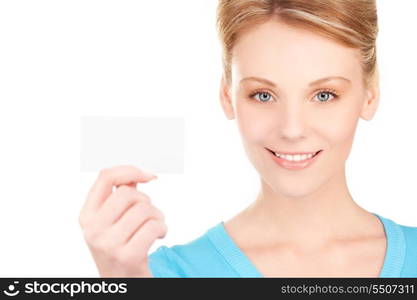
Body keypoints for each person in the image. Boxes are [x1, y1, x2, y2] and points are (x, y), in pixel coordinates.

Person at [78, 0, 417, 277]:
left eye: (324, 95)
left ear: (370, 95)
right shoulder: (162, 274)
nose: (292, 129)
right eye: (263, 95)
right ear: (227, 96)